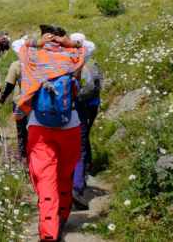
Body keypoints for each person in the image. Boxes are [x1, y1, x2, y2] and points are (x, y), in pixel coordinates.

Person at [11, 25, 95, 242]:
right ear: (62, 39)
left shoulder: (34, 56)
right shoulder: (74, 56)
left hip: (39, 129)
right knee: (64, 175)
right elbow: (90, 46)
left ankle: (49, 231)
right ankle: (63, 216)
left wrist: (34, 43)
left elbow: (16, 44)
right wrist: (71, 43)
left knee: (45, 178)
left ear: (43, 39)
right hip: (71, 126)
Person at [69, 33, 103, 211]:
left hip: (68, 107)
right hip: (87, 104)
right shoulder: (86, 56)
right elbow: (90, 44)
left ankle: (66, 185)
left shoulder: (63, 58)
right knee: (82, 144)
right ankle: (80, 182)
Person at [0, 59, 28, 162]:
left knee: (21, 129)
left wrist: (3, 96)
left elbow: (10, 86)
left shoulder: (16, 64)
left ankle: (23, 153)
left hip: (19, 100)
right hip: (35, 101)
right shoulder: (37, 62)